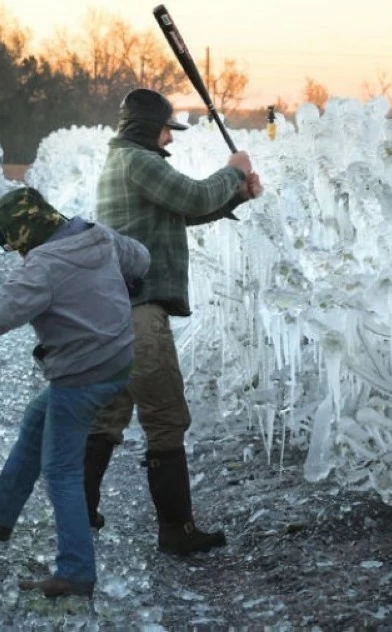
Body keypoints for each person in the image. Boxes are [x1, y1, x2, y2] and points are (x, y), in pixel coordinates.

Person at [0, 186, 150, 598]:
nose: (16, 254)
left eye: (12, 244)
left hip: (83, 373)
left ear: (22, 233)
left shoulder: (44, 266)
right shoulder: (95, 234)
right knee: (37, 418)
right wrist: (130, 280)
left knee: (61, 471)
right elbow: (140, 257)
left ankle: (76, 572)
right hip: (116, 359)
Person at [84, 88, 262, 556]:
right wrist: (234, 170)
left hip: (116, 309)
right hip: (139, 313)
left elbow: (177, 214)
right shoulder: (139, 161)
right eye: (167, 129)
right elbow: (193, 196)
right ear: (148, 128)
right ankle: (176, 530)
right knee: (165, 417)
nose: (170, 138)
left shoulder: (126, 162)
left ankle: (77, 509)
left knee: (108, 415)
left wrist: (237, 197)